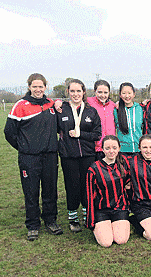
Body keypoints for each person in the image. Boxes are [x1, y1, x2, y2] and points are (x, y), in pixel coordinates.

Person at [4, 73, 63, 240]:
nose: (38, 89)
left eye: (41, 86)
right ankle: (32, 224)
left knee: (50, 190)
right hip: (29, 158)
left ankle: (50, 220)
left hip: (50, 155)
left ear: (46, 87)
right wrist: (24, 147)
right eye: (34, 86)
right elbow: (9, 132)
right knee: (31, 191)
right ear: (29, 86)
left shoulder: (52, 104)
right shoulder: (20, 105)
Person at [57, 79, 102, 232]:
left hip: (88, 155)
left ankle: (86, 214)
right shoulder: (61, 109)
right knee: (72, 186)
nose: (76, 94)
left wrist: (80, 134)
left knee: (87, 185)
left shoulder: (91, 111)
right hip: (68, 156)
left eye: (78, 91)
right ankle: (72, 217)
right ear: (68, 92)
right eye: (72, 91)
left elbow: (97, 134)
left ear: (84, 92)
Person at [86, 135, 130, 247]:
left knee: (121, 240)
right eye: (107, 148)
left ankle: (120, 223)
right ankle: (101, 227)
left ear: (119, 148)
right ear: (102, 149)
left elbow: (129, 184)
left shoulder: (124, 164)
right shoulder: (94, 168)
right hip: (102, 209)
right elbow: (90, 195)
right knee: (106, 243)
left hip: (119, 208)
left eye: (114, 148)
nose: (111, 151)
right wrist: (90, 221)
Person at [87, 80, 116, 160]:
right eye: (100, 92)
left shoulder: (113, 105)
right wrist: (58, 102)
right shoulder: (88, 102)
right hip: (94, 147)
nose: (102, 95)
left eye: (105, 92)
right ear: (95, 91)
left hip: (109, 148)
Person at [113, 82, 144, 157]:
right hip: (123, 151)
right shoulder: (115, 110)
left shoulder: (140, 108)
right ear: (120, 95)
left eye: (129, 93)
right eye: (124, 93)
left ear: (134, 94)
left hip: (139, 150)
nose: (127, 96)